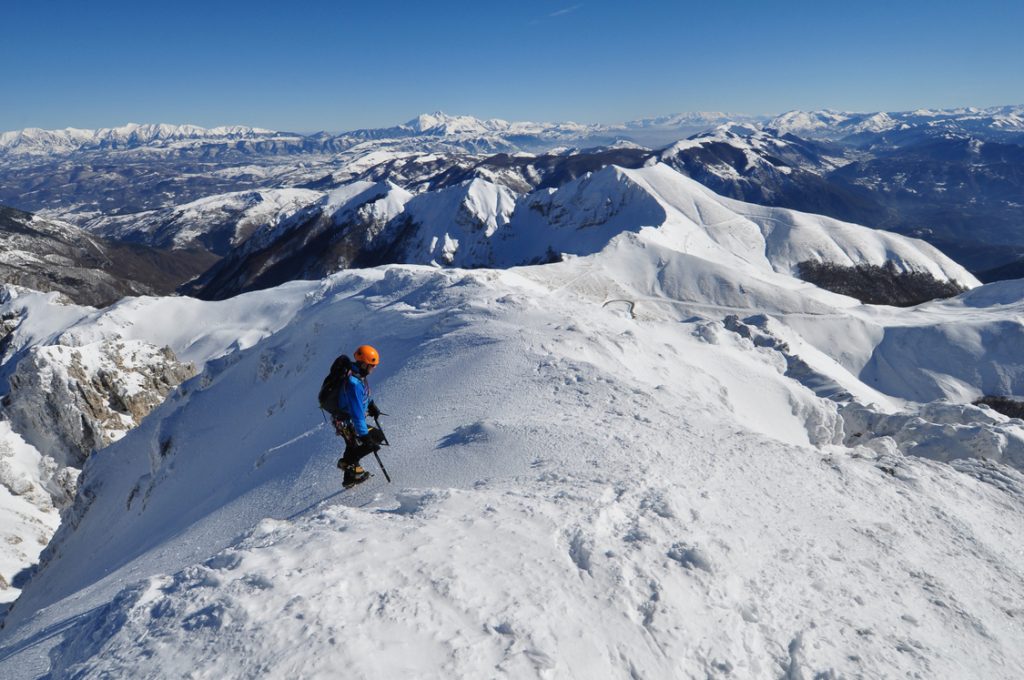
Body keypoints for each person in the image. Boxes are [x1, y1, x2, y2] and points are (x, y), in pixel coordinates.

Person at [333, 344, 386, 487]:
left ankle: (350, 478)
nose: (374, 368)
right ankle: (346, 464)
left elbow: (363, 395)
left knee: (352, 446)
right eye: (372, 365)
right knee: (373, 442)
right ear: (364, 364)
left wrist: (371, 404)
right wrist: (364, 436)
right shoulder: (354, 383)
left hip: (343, 420)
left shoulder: (356, 375)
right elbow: (357, 414)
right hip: (347, 422)